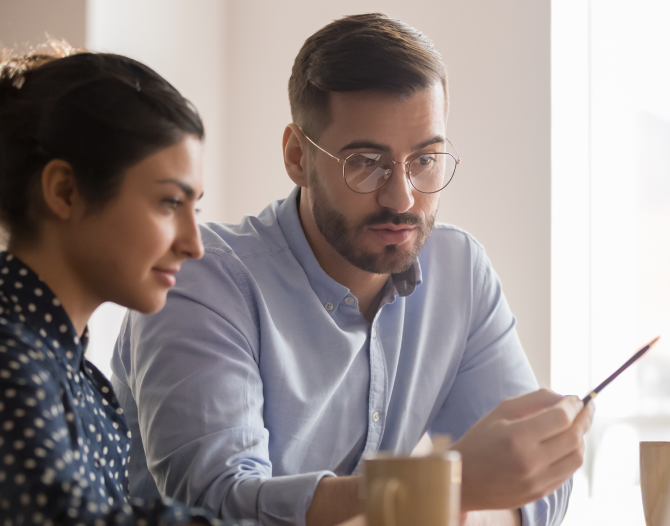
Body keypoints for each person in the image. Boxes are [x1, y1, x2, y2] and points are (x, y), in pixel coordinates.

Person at [112, 14, 594, 526]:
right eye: (367, 161)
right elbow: (220, 505)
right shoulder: (203, 277)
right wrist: (442, 492)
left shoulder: (460, 272)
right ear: (298, 156)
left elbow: (538, 492)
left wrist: (463, 495)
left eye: (426, 160)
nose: (402, 196)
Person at [0, 43, 245, 525]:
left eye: (193, 209)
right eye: (170, 203)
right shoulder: (10, 361)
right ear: (65, 192)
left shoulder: (79, 378)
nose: (194, 244)